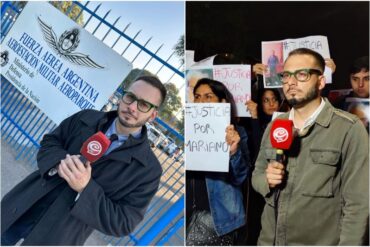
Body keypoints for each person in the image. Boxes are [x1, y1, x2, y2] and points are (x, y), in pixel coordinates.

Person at [1, 76, 167, 245]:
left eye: (144, 104)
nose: (132, 107)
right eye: (130, 97)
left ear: (152, 115)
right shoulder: (86, 118)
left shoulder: (148, 171)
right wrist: (59, 163)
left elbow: (123, 222)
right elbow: (50, 142)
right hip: (23, 206)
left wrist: (85, 188)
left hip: (59, 235)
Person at [252, 48, 369, 245]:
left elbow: (358, 204)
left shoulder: (349, 128)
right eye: (286, 75)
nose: (291, 82)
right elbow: (256, 176)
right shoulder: (275, 126)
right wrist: (267, 180)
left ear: (321, 81)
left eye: (302, 74)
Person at [186, 78, 251, 246]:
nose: (201, 102)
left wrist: (234, 152)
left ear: (223, 102)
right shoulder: (188, 129)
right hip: (187, 214)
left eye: (208, 96)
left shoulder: (238, 133)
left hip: (218, 219)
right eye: (197, 97)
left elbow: (240, 178)